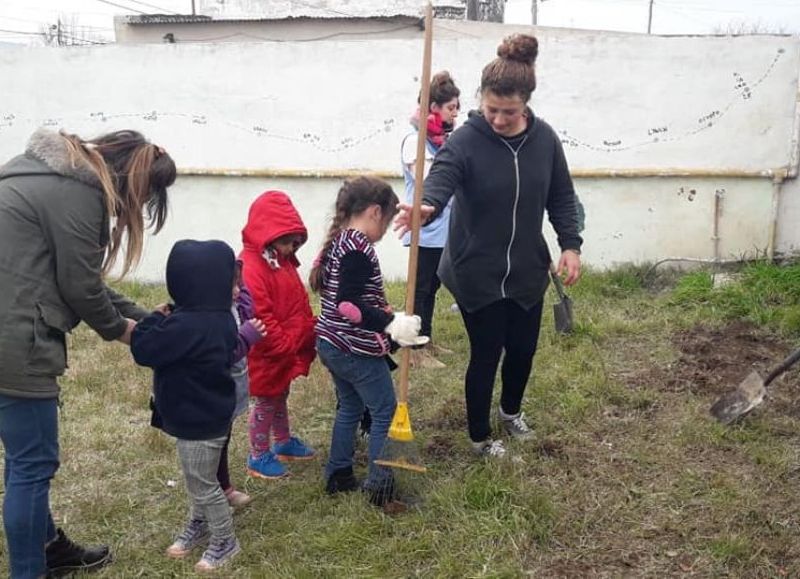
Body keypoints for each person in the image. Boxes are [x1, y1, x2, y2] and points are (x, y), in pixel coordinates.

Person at [395, 34, 583, 459]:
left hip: (525, 269)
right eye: (491, 108)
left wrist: (570, 245)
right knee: (487, 352)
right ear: (482, 98)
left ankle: (510, 411)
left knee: (523, 350)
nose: (497, 119)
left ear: (526, 104)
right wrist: (427, 204)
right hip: (475, 268)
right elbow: (443, 173)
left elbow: (561, 196)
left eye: (509, 112)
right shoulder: (467, 140)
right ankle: (480, 438)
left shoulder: (545, 140)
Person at [0, 128, 175, 579]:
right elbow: (79, 288)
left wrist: (143, 316)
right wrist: (130, 334)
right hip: (16, 339)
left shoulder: (38, 176)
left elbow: (78, 278)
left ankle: (49, 548)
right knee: (32, 465)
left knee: (24, 458)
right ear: (133, 181)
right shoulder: (79, 194)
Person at [309, 176, 427, 507]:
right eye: (388, 222)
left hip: (331, 343)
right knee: (384, 411)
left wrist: (387, 314)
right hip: (353, 350)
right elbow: (348, 304)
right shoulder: (358, 249)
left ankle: (339, 474)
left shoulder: (338, 241)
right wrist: (390, 323)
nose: (386, 230)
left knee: (350, 406)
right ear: (374, 212)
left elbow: (351, 297)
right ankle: (381, 488)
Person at [130, 239, 241, 573]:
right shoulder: (221, 320)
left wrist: (152, 318)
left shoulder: (183, 325)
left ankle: (225, 541)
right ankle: (199, 522)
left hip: (197, 422)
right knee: (199, 478)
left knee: (204, 484)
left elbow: (143, 349)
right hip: (210, 416)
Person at [239, 191, 317, 480]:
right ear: (267, 235)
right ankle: (258, 454)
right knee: (266, 400)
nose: (290, 248)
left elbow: (296, 299)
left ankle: (283, 441)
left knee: (280, 393)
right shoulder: (251, 267)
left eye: (294, 242)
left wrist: (302, 332)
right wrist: (283, 344)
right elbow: (259, 315)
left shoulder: (279, 260)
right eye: (286, 241)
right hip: (267, 350)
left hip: (286, 346)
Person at [401, 71, 461, 370]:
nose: (456, 114)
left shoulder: (442, 142)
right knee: (419, 290)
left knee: (432, 289)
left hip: (443, 231)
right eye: (451, 108)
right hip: (424, 231)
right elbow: (431, 181)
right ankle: (414, 349)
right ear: (434, 108)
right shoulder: (416, 142)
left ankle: (427, 339)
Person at [216, 261, 267, 507]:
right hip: (213, 395)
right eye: (231, 286)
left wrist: (240, 282)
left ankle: (224, 487)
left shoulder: (234, 306)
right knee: (214, 445)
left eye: (238, 284)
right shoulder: (212, 318)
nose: (236, 291)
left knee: (224, 439)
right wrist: (247, 336)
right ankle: (213, 495)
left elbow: (247, 306)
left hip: (230, 393)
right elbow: (225, 352)